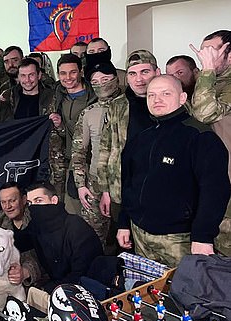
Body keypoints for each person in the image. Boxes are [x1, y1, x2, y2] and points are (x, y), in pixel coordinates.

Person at [117, 75, 230, 267]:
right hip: (140, 235)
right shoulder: (141, 138)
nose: (157, 99)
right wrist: (123, 222)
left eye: (165, 93)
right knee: (147, 292)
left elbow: (215, 190)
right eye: (151, 95)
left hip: (180, 239)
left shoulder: (200, 137)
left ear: (182, 98)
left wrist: (203, 236)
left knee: (185, 293)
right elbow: (129, 183)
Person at [97, 50, 160, 228]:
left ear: (157, 72)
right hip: (123, 189)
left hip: (161, 189)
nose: (139, 79)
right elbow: (105, 148)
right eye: (132, 73)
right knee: (124, 243)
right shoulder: (117, 106)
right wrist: (105, 190)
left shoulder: (170, 102)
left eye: (145, 72)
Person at [70, 61, 122, 247]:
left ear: (116, 79)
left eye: (106, 79)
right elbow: (78, 151)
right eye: (96, 81)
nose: (101, 84)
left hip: (125, 183)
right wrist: (81, 185)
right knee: (91, 238)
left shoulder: (131, 108)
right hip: (94, 184)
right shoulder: (89, 113)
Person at [190, 30, 231, 256]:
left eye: (212, 51)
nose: (204, 56)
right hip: (214, 180)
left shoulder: (216, 80)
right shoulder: (212, 81)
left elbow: (205, 114)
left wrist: (206, 71)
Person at [24, 181, 103, 293]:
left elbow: (84, 272)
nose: (34, 207)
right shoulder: (37, 228)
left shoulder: (77, 228)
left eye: (38, 201)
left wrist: (50, 289)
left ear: (54, 200)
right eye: (30, 203)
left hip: (85, 290)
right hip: (57, 288)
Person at [49, 53, 97, 211]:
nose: (68, 77)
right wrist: (60, 125)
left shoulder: (95, 96)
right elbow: (67, 134)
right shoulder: (58, 97)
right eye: (63, 73)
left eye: (73, 72)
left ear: (81, 72)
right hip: (73, 164)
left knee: (97, 215)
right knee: (73, 212)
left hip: (95, 165)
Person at [2, 58, 58, 123]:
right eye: (23, 75)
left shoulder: (53, 97)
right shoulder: (9, 97)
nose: (27, 80)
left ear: (39, 75)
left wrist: (59, 125)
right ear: (18, 77)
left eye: (31, 75)